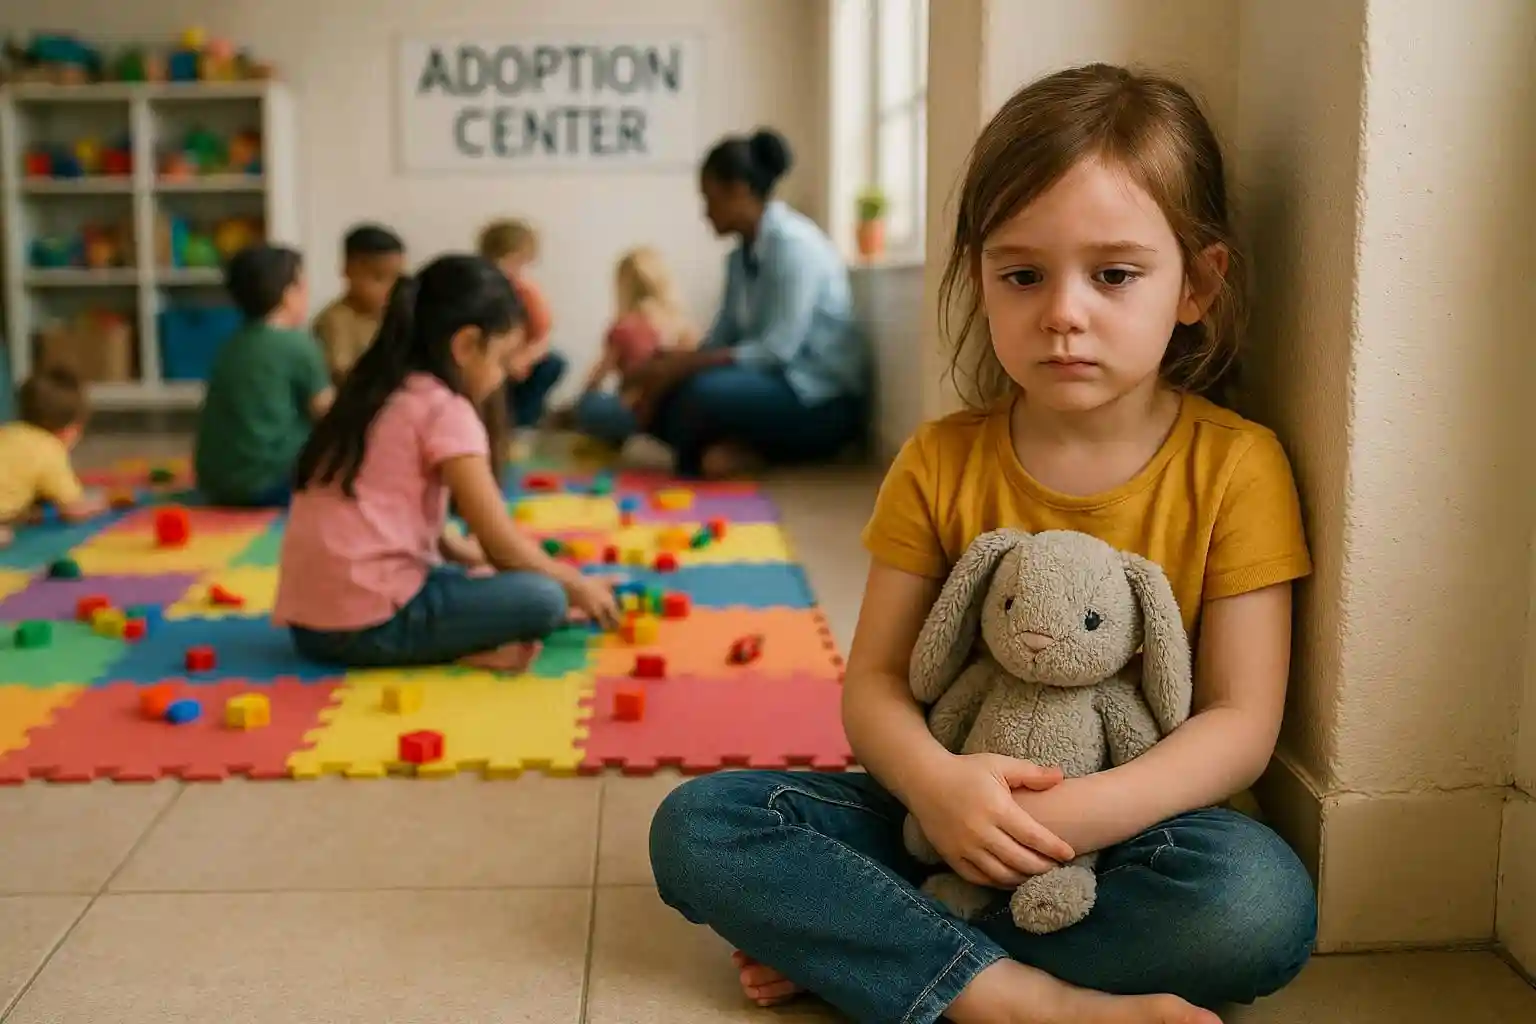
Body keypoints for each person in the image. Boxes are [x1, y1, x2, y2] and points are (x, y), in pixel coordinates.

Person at [647, 63, 1316, 1024]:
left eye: (1115, 274)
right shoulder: (940, 459)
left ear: (1197, 284)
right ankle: (1016, 999)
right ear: (979, 280)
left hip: (1130, 834)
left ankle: (882, 948)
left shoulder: (1237, 466)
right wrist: (943, 790)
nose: (1063, 312)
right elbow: (873, 683)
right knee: (702, 825)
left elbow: (1240, 725)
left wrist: (1067, 819)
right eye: (1022, 274)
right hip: (938, 816)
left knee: (1256, 906)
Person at [271, 254, 621, 672]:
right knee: (543, 599)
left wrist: (462, 553)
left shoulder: (376, 390)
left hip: (311, 628)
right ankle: (458, 649)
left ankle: (461, 630)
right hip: (366, 627)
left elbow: (381, 510)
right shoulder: (444, 409)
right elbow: (502, 547)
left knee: (488, 580)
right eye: (501, 359)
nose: (504, 376)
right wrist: (576, 585)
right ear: (466, 345)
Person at [575, 128, 869, 479]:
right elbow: (720, 339)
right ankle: (722, 451)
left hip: (817, 398)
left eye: (710, 199)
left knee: (696, 395)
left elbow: (776, 350)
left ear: (739, 191)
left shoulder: (794, 247)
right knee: (643, 391)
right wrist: (665, 365)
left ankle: (703, 447)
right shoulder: (738, 259)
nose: (705, 213)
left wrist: (681, 370)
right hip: (767, 387)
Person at [194, 244, 334, 507]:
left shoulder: (231, 344)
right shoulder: (298, 345)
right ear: (287, 294)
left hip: (216, 485)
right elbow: (329, 415)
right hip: (272, 484)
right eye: (302, 286)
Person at [565, 246, 699, 418]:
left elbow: (595, 381)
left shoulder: (624, 328)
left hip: (637, 411)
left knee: (588, 404)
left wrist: (576, 407)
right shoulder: (683, 325)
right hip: (677, 409)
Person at [0, 367, 107, 547]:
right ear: (71, 430)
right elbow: (73, 510)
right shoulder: (51, 449)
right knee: (5, 536)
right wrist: (102, 502)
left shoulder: (9, 431)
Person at [476, 218, 565, 429]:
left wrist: (524, 358)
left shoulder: (526, 292)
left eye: (518, 263)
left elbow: (543, 336)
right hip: (487, 359)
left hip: (518, 362)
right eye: (505, 260)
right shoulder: (478, 289)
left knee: (554, 362)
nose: (509, 269)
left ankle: (523, 422)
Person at [312, 223, 407, 383]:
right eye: (379, 277)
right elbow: (344, 375)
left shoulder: (396, 315)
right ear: (348, 270)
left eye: (396, 278)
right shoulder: (333, 322)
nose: (390, 288)